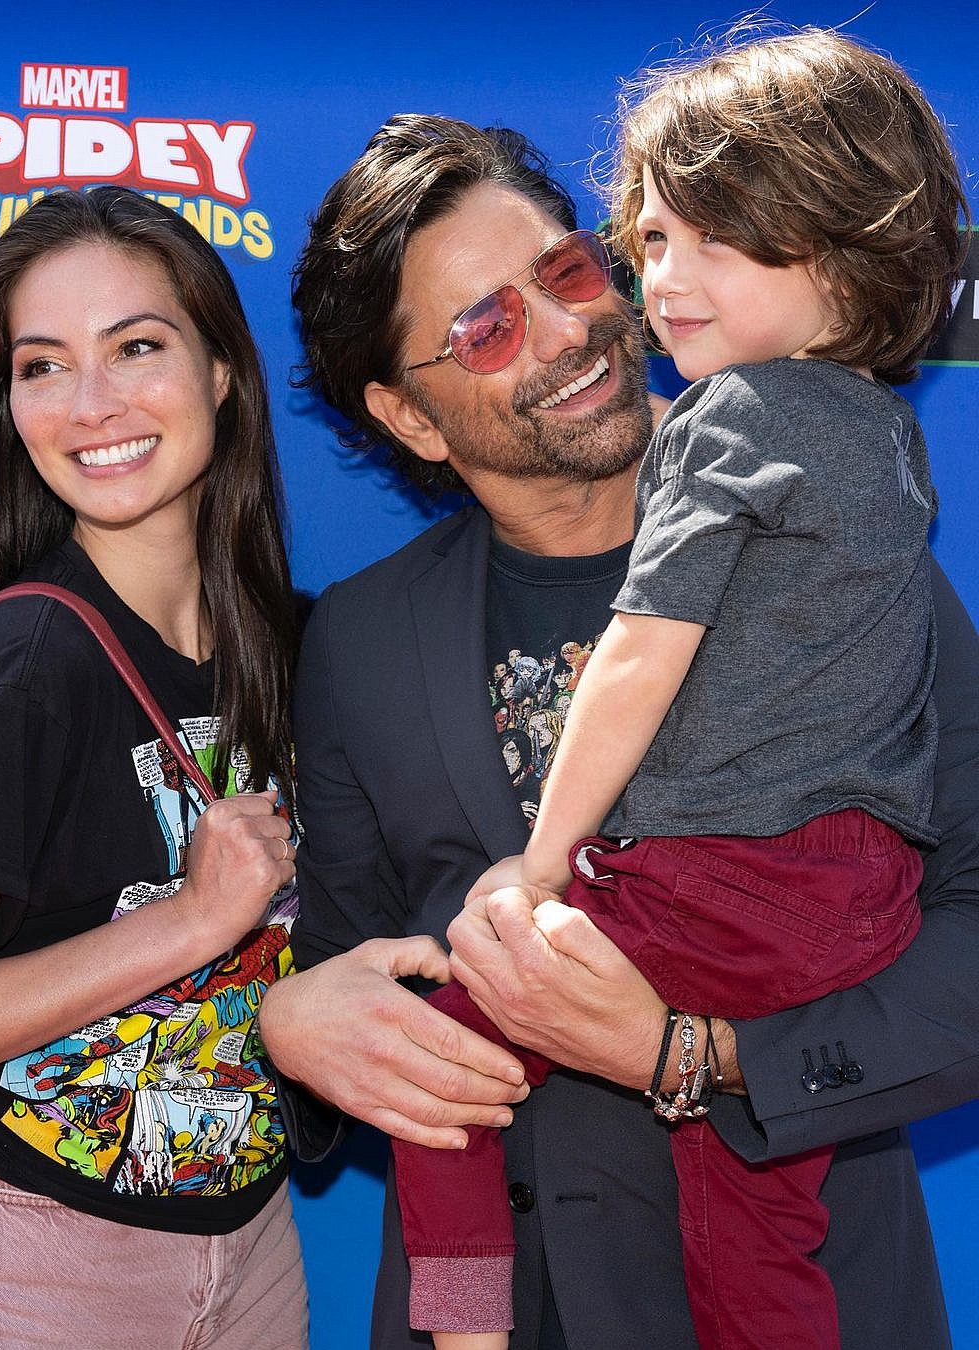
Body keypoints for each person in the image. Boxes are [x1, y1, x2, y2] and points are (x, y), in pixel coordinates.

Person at [261, 113, 979, 1350]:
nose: (565, 332)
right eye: (485, 328)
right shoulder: (364, 639)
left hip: (806, 1292)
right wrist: (295, 1022)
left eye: (568, 271)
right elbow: (343, 953)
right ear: (413, 419)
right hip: (512, 1311)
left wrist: (696, 1054)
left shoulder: (837, 544)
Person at [0, 187, 308, 1348]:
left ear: (222, 371)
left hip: (250, 1242)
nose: (90, 405)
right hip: (25, 1253)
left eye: (136, 347)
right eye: (41, 366)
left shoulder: (285, 645)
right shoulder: (29, 661)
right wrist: (187, 925)